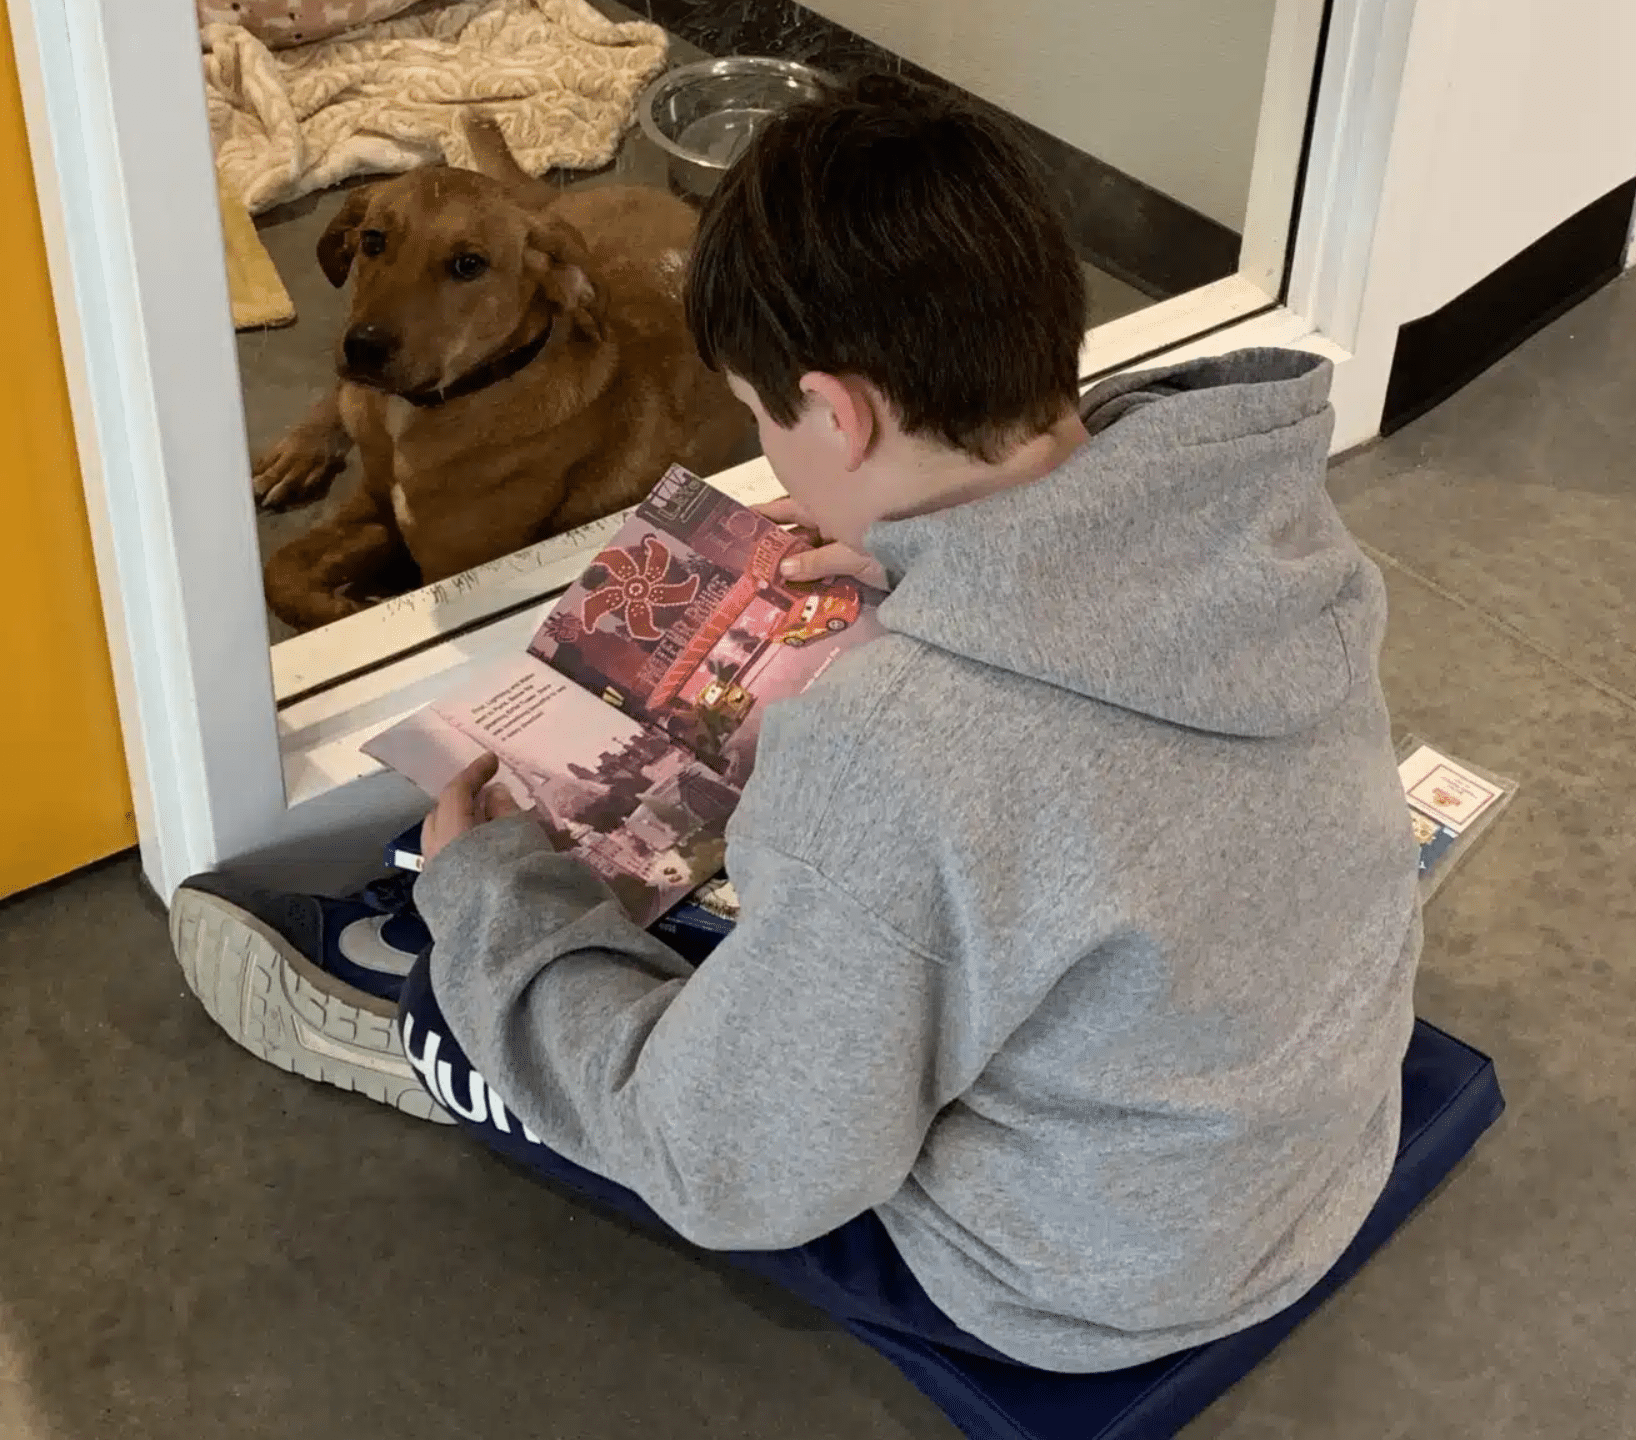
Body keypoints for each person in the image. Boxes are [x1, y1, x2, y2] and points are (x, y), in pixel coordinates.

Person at [170, 74, 1421, 1375]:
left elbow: (735, 1164)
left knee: (508, 971)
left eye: (767, 423)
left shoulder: (898, 757)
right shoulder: (1256, 523)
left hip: (1079, 1279)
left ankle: (409, 1022)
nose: (770, 459)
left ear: (838, 411)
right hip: (1301, 1162)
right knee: (860, 943)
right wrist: (920, 573)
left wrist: (489, 900)